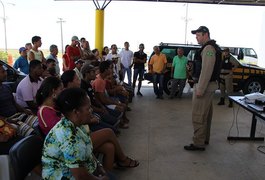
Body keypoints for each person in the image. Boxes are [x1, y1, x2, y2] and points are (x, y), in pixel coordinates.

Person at [42, 88, 139, 179]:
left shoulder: (76, 124)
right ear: (76, 112)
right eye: (88, 109)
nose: (91, 111)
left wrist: (99, 167)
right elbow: (80, 176)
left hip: (86, 168)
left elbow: (87, 147)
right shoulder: (69, 138)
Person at [184, 26, 222, 151]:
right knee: (206, 115)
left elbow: (207, 70)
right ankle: (204, 138)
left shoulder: (209, 48)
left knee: (199, 115)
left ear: (206, 34)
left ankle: (198, 143)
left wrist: (200, 88)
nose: (196, 37)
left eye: (198, 35)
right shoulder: (210, 47)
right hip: (208, 86)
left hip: (204, 87)